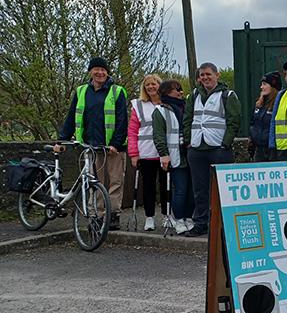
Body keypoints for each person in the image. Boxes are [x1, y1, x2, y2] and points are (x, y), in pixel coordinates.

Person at [58, 56, 128, 230]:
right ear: (90, 72)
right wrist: (62, 140)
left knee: (115, 182)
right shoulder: (81, 91)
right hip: (89, 146)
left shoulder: (117, 91)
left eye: (103, 70)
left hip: (112, 148)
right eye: (96, 69)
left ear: (107, 72)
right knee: (94, 183)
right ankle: (96, 215)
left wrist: (116, 144)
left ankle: (112, 215)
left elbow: (122, 120)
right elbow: (71, 117)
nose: (100, 72)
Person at [182, 62, 241, 237]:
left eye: (208, 74)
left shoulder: (227, 95)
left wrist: (226, 143)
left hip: (218, 148)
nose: (205, 78)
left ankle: (225, 225)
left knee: (223, 189)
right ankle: (201, 223)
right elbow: (187, 118)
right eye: (202, 75)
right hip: (197, 147)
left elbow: (234, 120)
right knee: (200, 189)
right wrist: (188, 141)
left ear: (217, 75)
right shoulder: (193, 95)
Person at [128, 74, 169, 231]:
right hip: (146, 152)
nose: (151, 87)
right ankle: (149, 217)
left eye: (154, 84)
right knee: (148, 187)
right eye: (147, 85)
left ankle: (167, 215)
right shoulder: (138, 105)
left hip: (165, 152)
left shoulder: (167, 104)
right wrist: (133, 153)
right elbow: (132, 132)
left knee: (166, 185)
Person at [153, 79, 194, 235]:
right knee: (181, 190)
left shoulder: (186, 107)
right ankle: (178, 218)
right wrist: (164, 154)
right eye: (177, 89)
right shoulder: (160, 110)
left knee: (191, 190)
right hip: (175, 155)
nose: (180, 92)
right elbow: (158, 135)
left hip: (189, 153)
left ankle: (189, 217)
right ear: (167, 92)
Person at [250, 72, 281, 162]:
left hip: (272, 150)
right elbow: (253, 123)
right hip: (258, 149)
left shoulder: (278, 104)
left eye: (264, 84)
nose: (261, 87)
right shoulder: (258, 104)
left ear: (273, 86)